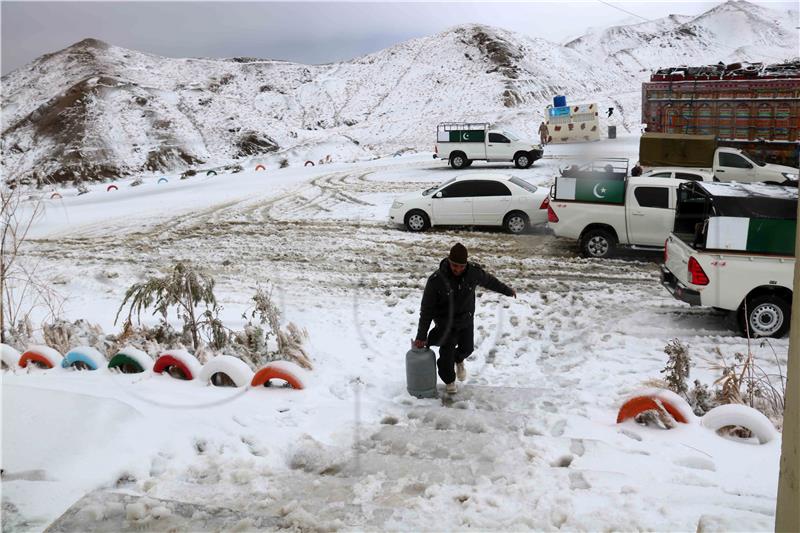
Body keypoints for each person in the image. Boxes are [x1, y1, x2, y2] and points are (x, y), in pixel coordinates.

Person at [413, 243, 516, 394]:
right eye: (454, 265)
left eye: (461, 266)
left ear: (466, 264)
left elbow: (490, 281)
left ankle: (459, 359)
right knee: (446, 356)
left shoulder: (473, 273)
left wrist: (507, 290)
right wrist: (421, 336)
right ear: (448, 261)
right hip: (445, 324)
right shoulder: (436, 280)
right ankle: (449, 381)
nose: (457, 269)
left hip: (465, 320)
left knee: (467, 349)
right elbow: (427, 310)